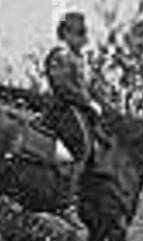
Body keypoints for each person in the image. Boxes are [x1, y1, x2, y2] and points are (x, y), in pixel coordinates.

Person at [44, 11, 104, 166]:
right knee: (80, 146)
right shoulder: (60, 55)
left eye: (83, 33)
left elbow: (84, 86)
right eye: (79, 33)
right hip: (64, 108)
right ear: (66, 33)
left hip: (80, 108)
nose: (84, 39)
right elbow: (63, 86)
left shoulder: (77, 56)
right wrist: (87, 102)